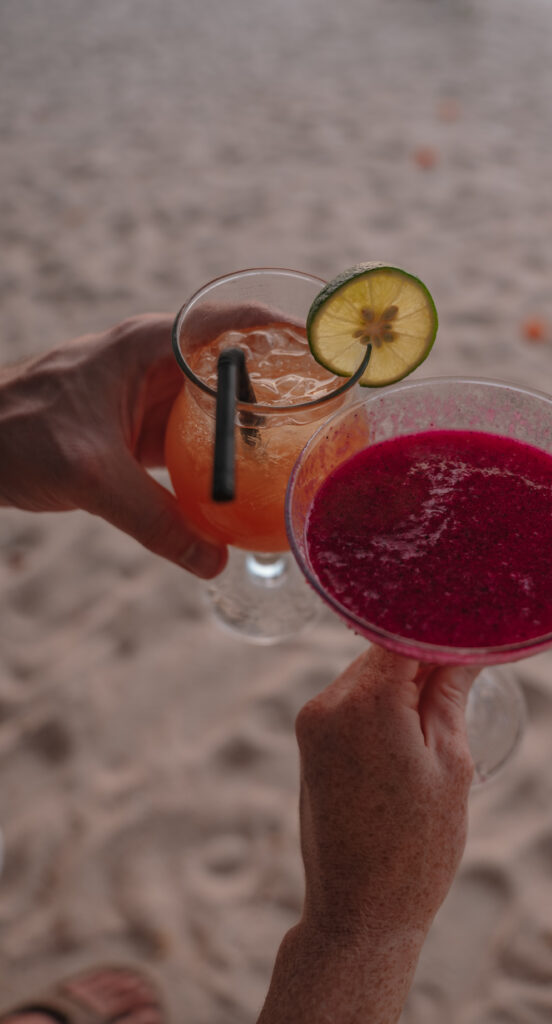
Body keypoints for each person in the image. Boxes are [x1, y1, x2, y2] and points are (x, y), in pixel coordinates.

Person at [0, 318, 478, 1024]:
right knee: (257, 526)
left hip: (290, 460)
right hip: (235, 482)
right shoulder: (202, 409)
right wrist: (367, 933)